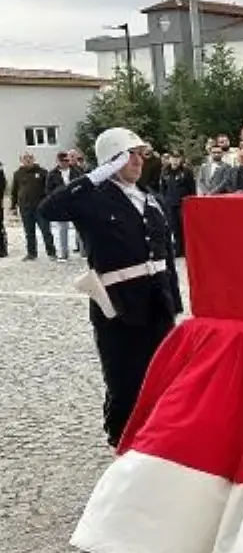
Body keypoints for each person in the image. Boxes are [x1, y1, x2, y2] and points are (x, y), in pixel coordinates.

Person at [38, 128, 182, 448]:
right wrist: (92, 178)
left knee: (160, 372)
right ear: (111, 160)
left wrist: (174, 303)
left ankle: (154, 434)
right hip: (118, 303)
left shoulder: (150, 199)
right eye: (128, 155)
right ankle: (120, 435)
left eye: (138, 154)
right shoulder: (92, 199)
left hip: (157, 300)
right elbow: (48, 210)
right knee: (123, 376)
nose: (137, 161)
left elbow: (166, 255)